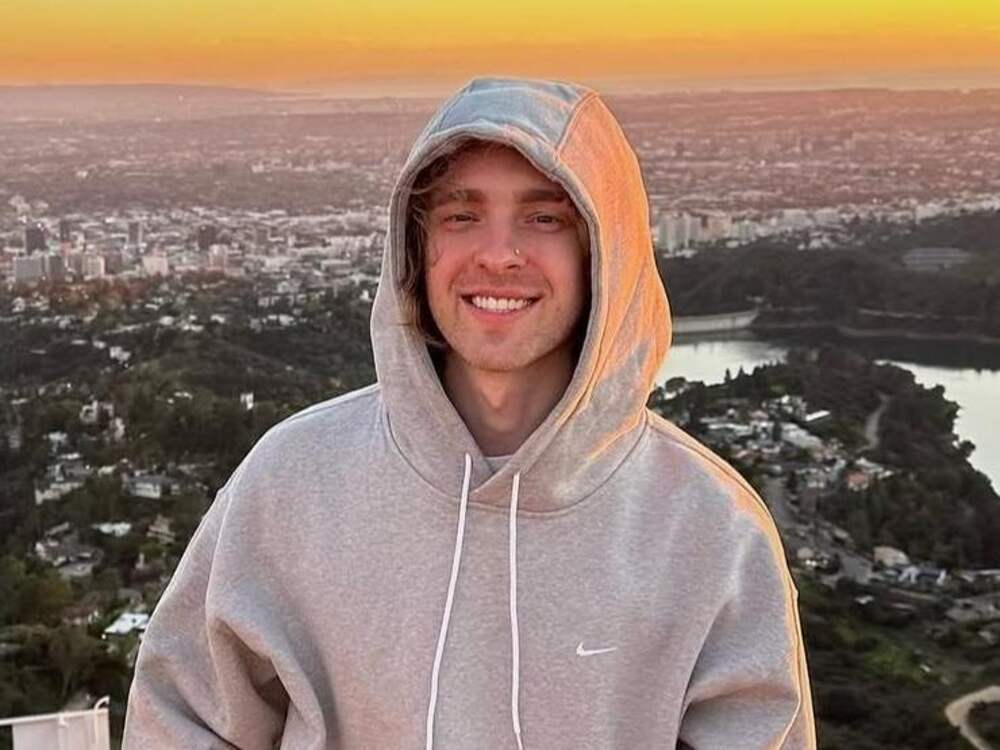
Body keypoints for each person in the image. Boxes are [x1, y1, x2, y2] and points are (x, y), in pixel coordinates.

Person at [123, 76, 815, 749]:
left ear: (604, 253)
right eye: (461, 215)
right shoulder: (291, 481)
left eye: (544, 218)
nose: (498, 255)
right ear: (416, 248)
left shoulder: (711, 530)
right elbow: (181, 720)